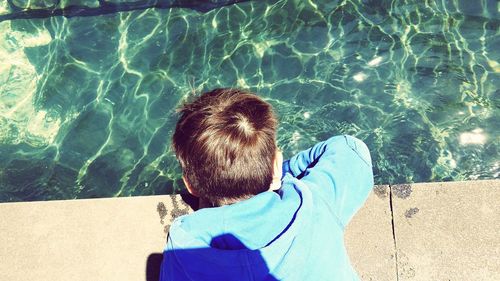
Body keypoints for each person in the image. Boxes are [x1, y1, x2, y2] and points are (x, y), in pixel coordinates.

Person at [160, 88, 374, 280]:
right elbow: (351, 148)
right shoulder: (315, 201)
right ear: (276, 165)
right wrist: (282, 174)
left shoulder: (183, 249)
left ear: (190, 185)